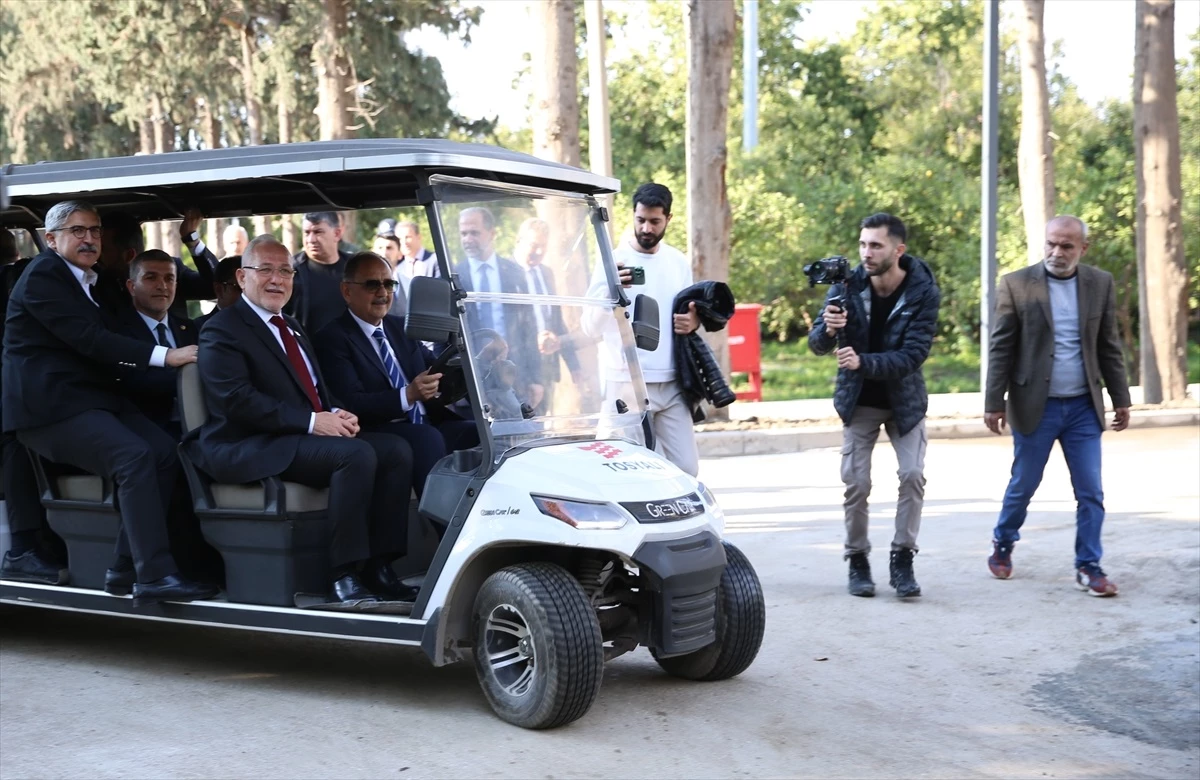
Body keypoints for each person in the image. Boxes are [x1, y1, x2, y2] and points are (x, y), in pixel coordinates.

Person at [0, 200, 214, 605]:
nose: (89, 239)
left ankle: (122, 567)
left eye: (95, 231)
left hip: (92, 400)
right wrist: (166, 356)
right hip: (50, 408)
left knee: (167, 453)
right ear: (51, 240)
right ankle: (154, 575)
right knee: (134, 456)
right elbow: (91, 341)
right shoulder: (45, 273)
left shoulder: (91, 281)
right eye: (77, 231)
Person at [186, 236, 418, 604]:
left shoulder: (291, 327)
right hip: (247, 443)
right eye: (265, 270)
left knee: (395, 450)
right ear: (243, 277)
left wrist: (337, 412)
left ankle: (380, 565)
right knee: (354, 455)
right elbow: (236, 401)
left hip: (294, 436)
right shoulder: (223, 329)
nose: (277, 279)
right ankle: (342, 572)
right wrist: (313, 422)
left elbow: (316, 391)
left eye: (285, 271)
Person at [983, 215, 1131, 597]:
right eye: (1051, 243)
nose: (1056, 252)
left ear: (1083, 248)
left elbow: (1108, 345)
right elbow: (1001, 348)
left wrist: (1121, 398)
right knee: (1024, 484)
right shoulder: (1016, 284)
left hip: (1083, 406)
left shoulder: (1099, 284)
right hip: (1036, 405)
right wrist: (993, 401)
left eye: (1067, 246)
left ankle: (1088, 565)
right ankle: (1003, 541)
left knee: (1091, 491)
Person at [809, 212, 940, 599]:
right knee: (856, 483)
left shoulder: (922, 291)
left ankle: (902, 558)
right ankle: (858, 559)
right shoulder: (846, 284)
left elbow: (914, 354)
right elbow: (816, 345)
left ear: (898, 250)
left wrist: (864, 362)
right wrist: (829, 329)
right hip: (859, 400)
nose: (866, 253)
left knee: (913, 474)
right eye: (863, 244)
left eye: (876, 245)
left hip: (905, 401)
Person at [313, 252, 478, 497]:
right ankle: (446, 530)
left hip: (427, 423)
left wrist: (480, 360)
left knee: (480, 433)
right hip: (378, 431)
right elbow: (352, 402)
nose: (383, 292)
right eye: (372, 284)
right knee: (427, 438)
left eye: (389, 284)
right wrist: (408, 395)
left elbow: (435, 370)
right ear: (347, 291)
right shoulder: (332, 338)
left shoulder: (401, 327)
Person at [608, 183, 702, 476]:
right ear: (633, 216)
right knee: (630, 469)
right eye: (640, 220)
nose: (646, 228)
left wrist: (692, 322)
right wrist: (613, 295)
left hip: (673, 380)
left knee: (686, 468)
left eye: (655, 221)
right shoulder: (613, 260)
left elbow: (690, 311)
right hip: (627, 380)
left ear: (668, 219)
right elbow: (588, 324)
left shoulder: (677, 261)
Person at [452, 207, 542, 409]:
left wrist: (536, 378)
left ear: (492, 233)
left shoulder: (513, 272)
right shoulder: (454, 274)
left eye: (474, 232)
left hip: (513, 373)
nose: (467, 239)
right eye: (463, 233)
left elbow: (528, 327)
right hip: (473, 378)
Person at [110, 249, 198, 438]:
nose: (162, 286)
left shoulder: (190, 329)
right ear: (131, 286)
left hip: (201, 430)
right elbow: (133, 382)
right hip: (146, 434)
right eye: (151, 278)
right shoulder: (116, 333)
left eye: (169, 279)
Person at [513, 217, 586, 414]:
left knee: (542, 430)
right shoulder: (507, 273)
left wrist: (574, 366)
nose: (539, 252)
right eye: (534, 245)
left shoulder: (546, 273)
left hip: (547, 369)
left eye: (543, 246)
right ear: (519, 240)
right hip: (519, 371)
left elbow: (556, 322)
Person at [93, 210, 218, 320]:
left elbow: (216, 287)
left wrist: (192, 239)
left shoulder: (170, 270)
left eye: (103, 250)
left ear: (129, 255)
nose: (96, 256)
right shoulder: (95, 283)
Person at [285, 211, 354, 335]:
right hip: (309, 351)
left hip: (352, 350)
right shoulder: (290, 272)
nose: (311, 239)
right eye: (306, 233)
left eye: (318, 232)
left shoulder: (356, 268)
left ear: (337, 233)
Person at [194, 255, 242, 330]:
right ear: (219, 289)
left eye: (251, 288)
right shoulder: (198, 328)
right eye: (239, 288)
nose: (248, 296)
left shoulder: (262, 323)